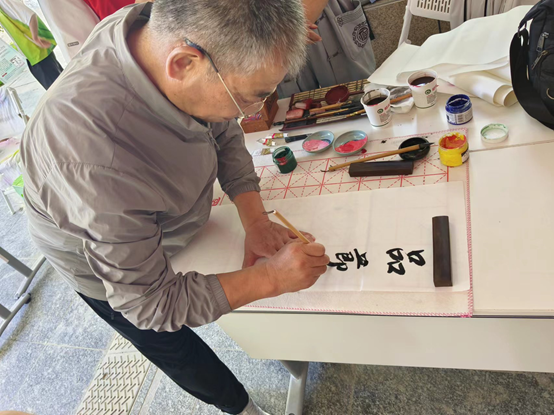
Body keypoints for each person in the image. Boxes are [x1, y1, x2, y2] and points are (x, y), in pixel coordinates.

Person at [20, 1, 329, 414]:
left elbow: (222, 129)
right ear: (183, 64)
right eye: (247, 99)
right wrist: (271, 278)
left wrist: (255, 220)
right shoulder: (92, 159)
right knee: (175, 348)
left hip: (147, 206)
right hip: (95, 251)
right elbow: (149, 302)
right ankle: (241, 408)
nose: (254, 112)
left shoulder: (157, 30)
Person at [278, 0, 377, 97]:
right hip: (276, 25)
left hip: (328, 12)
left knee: (361, 93)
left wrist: (292, 28)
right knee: (294, 101)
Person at [0, 0, 62, 90]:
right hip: (32, 55)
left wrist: (35, 38)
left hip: (37, 53)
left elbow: (29, 15)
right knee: (59, 86)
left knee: (58, 89)